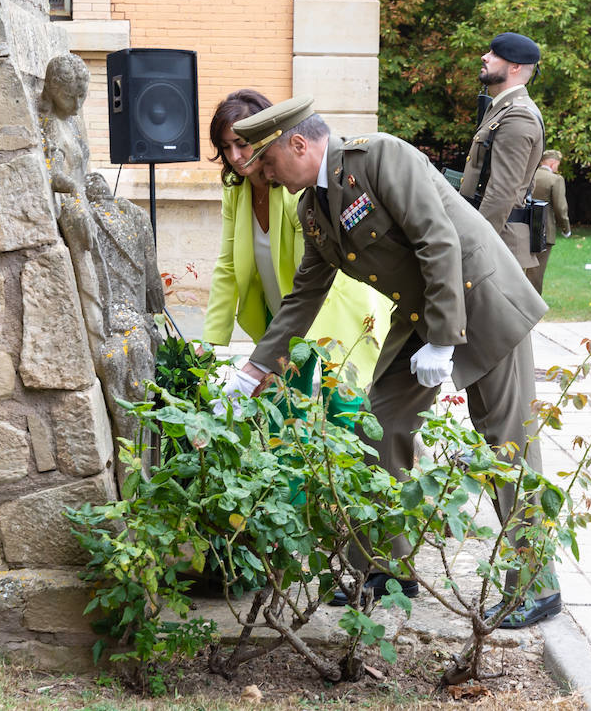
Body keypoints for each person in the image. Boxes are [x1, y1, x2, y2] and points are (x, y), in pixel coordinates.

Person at [229, 97, 560, 628]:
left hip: (482, 302)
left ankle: (536, 585)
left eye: (266, 164)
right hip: (425, 318)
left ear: (297, 144)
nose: (265, 177)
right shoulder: (312, 209)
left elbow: (438, 239)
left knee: (505, 440)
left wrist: (447, 338)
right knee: (377, 424)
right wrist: (253, 369)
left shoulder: (380, 158)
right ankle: (388, 565)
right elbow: (304, 297)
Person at [202, 89, 390, 387]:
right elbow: (227, 265)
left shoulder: (293, 187)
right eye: (225, 147)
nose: (235, 157)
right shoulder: (235, 189)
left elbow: (311, 274)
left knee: (340, 407)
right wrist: (210, 343)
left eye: (241, 144)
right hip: (280, 310)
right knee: (284, 411)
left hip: (328, 306)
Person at [459, 32, 545, 270]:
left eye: (495, 54)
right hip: (495, 239)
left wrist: (474, 245)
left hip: (498, 244)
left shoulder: (518, 115)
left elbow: (502, 192)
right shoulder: (501, 109)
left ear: (515, 66)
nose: (484, 57)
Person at [527, 150, 571, 294]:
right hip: (545, 230)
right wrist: (566, 228)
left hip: (523, 226)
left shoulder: (529, 175)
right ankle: (532, 306)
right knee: (536, 272)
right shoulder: (555, 179)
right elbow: (560, 207)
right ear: (553, 163)